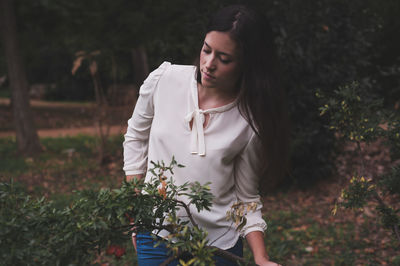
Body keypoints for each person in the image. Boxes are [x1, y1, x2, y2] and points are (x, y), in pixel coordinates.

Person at [123, 4, 288, 266]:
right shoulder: (164, 80)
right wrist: (135, 209)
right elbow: (135, 138)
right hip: (155, 237)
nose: (209, 64)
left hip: (218, 247)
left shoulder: (248, 122)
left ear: (247, 64)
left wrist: (261, 257)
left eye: (224, 59)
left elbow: (246, 198)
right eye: (206, 50)